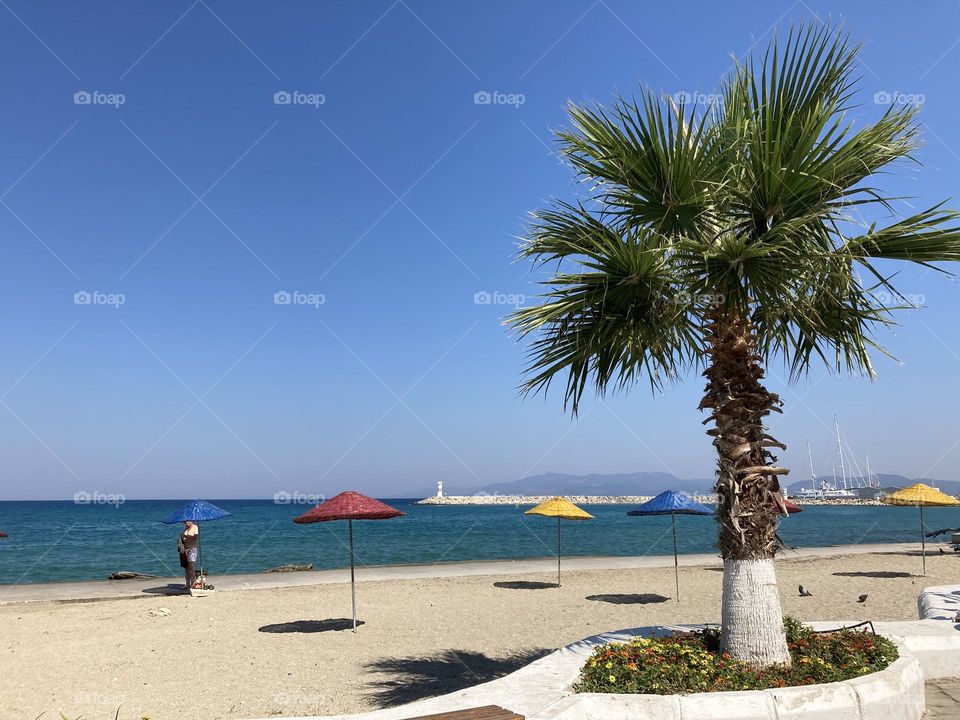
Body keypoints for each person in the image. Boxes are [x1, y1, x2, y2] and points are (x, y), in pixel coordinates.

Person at [178, 521, 200, 590]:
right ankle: (187, 584)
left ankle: (193, 583)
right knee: (186, 567)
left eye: (186, 522)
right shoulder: (186, 528)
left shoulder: (195, 527)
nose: (185, 523)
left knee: (191, 565)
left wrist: (185, 536)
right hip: (185, 549)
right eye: (184, 522)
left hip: (192, 548)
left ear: (190, 521)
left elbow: (195, 538)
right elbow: (184, 538)